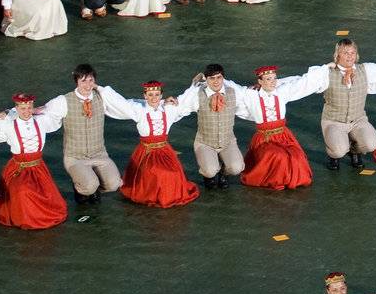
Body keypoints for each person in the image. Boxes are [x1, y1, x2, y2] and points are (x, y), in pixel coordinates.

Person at [101, 80, 201, 208]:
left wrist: (195, 85)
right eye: (150, 94)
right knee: (158, 173)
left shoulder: (169, 109)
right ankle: (153, 195)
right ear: (145, 96)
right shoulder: (139, 110)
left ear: (161, 95)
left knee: (172, 174)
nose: (154, 97)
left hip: (165, 151)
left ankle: (167, 196)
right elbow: (121, 103)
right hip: (147, 152)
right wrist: (100, 89)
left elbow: (184, 100)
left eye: (156, 94)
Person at [0, 93, 68, 230]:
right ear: (16, 109)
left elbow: (58, 107)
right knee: (23, 192)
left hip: (38, 168)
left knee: (46, 195)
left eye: (29, 108)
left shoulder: (41, 121)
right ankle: (26, 219)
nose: (26, 112)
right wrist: (7, 113)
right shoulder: (8, 124)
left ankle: (41, 216)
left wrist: (42, 109)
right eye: (22, 109)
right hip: (19, 169)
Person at [38, 66, 123, 206]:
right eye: (83, 81)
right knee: (90, 185)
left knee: (114, 184)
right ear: (76, 81)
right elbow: (42, 111)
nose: (88, 85)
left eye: (91, 80)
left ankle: (91, 188)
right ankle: (83, 189)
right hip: (75, 157)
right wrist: (9, 112)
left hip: (99, 154)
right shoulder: (64, 101)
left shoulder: (101, 98)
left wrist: (162, 102)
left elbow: (123, 104)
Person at [234, 64, 326, 190]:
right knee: (278, 155)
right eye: (268, 79)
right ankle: (276, 180)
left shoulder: (282, 92)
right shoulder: (251, 95)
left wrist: (325, 69)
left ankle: (291, 179)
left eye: (274, 78)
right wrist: (206, 81)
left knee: (296, 155)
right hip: (264, 139)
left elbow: (301, 83)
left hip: (284, 136)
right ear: (260, 81)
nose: (272, 82)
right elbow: (233, 89)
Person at [175, 64, 243, 188]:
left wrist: (258, 88)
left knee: (236, 168)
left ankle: (224, 172)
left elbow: (250, 97)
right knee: (210, 170)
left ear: (223, 78)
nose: (216, 81)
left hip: (228, 141)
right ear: (206, 79)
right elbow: (180, 106)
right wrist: (168, 102)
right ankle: (208, 175)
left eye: (219, 77)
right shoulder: (197, 94)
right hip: (205, 142)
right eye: (212, 78)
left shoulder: (234, 92)